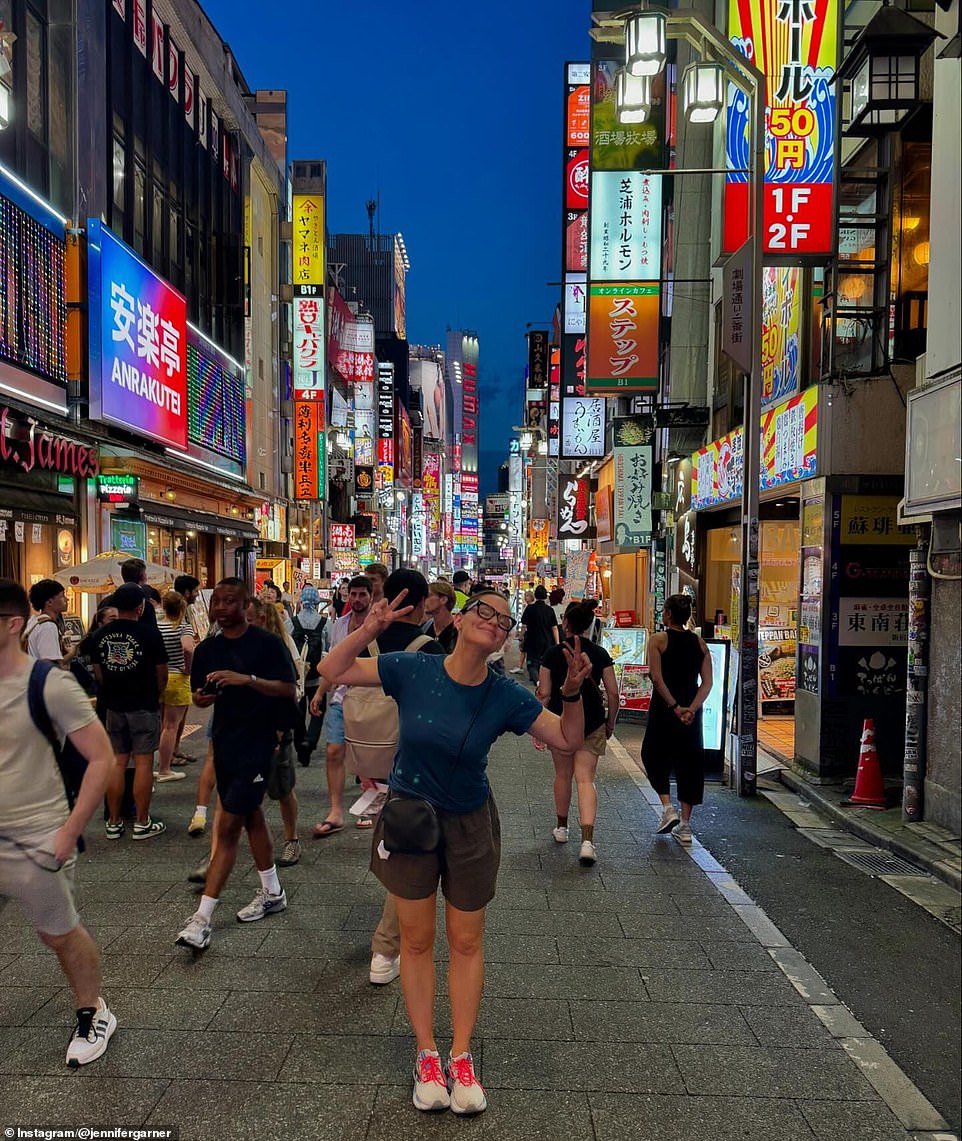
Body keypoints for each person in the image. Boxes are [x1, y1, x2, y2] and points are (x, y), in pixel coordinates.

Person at [319, 586, 591, 1116]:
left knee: (466, 941)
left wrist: (574, 692)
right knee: (416, 942)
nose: (495, 622)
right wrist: (370, 627)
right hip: (410, 821)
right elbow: (335, 669)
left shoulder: (505, 694)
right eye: (485, 612)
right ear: (462, 619)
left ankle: (461, 1056)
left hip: (469, 824)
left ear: (505, 638)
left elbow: (567, 739)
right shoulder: (413, 668)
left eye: (505, 620)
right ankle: (427, 1056)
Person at [0, 579, 118, 1067]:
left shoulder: (47, 683)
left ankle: (93, 1011)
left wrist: (69, 830)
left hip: (36, 834)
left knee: (59, 932)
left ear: (11, 625)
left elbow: (102, 758)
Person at [176, 578, 297, 951]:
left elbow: (288, 688)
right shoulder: (208, 648)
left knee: (228, 826)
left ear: (247, 605)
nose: (222, 608)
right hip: (224, 741)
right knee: (251, 817)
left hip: (260, 741)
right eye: (218, 602)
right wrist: (206, 694)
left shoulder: (267, 644)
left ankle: (202, 919)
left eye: (231, 601)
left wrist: (247, 680)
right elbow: (199, 698)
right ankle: (273, 891)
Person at [539, 603, 620, 866]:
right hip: (593, 720)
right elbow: (613, 693)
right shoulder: (600, 653)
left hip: (559, 722)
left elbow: (545, 693)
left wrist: (537, 727)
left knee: (562, 774)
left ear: (565, 624)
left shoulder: (552, 654)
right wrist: (610, 722)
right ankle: (587, 842)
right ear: (588, 625)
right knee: (585, 779)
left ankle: (562, 828)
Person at [89, 583, 168, 841]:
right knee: (144, 761)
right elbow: (161, 674)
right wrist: (154, 694)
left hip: (113, 704)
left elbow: (98, 673)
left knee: (117, 761)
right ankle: (142, 822)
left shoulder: (100, 635)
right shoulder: (149, 634)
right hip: (143, 702)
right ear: (140, 606)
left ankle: (113, 821)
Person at [642, 594, 714, 846]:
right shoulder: (699, 643)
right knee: (690, 762)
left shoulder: (658, 640)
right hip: (690, 712)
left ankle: (667, 807)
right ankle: (685, 826)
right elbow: (707, 683)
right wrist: (691, 709)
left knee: (652, 754)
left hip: (665, 708)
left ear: (668, 615)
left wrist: (674, 707)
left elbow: (656, 677)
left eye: (663, 610)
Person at [309, 575, 374, 837]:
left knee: (369, 755)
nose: (357, 600)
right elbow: (334, 661)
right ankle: (335, 811)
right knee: (334, 751)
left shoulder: (379, 624)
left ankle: (369, 806)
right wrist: (320, 693)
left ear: (371, 596)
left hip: (370, 699)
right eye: (352, 595)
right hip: (341, 697)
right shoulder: (340, 624)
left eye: (362, 595)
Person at [249, 599, 304, 868]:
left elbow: (289, 689)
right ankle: (222, 849)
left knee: (282, 788)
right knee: (239, 791)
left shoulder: (276, 647)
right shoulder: (240, 645)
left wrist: (280, 731)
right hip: (246, 726)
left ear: (260, 619)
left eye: (249, 620)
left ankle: (291, 839)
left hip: (274, 726)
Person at [155, 592, 194, 783]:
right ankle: (164, 768)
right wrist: (188, 668)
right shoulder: (182, 627)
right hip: (177, 677)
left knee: (163, 724)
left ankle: (162, 762)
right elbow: (188, 648)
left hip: (159, 677)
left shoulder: (157, 626)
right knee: (171, 726)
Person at [290, 584, 330, 766]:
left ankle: (299, 745)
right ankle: (310, 740)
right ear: (316, 602)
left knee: (297, 712)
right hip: (317, 675)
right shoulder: (325, 623)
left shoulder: (292, 621)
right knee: (318, 710)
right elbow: (329, 647)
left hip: (297, 677)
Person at [519, 585, 559, 686]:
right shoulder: (549, 610)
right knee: (545, 662)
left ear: (535, 596)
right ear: (546, 596)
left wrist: (521, 637)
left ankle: (537, 681)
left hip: (532, 640)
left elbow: (524, 625)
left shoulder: (530, 608)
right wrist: (557, 643)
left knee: (531, 663)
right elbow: (554, 627)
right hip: (547, 641)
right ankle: (544, 681)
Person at [23, 579, 69, 661]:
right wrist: (73, 652)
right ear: (50, 602)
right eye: (62, 596)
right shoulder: (48, 627)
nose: (66, 599)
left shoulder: (34, 621)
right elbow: (50, 664)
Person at [422, 580, 458, 654]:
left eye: (428, 596)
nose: (423, 600)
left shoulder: (459, 631)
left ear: (443, 599)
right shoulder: (424, 628)